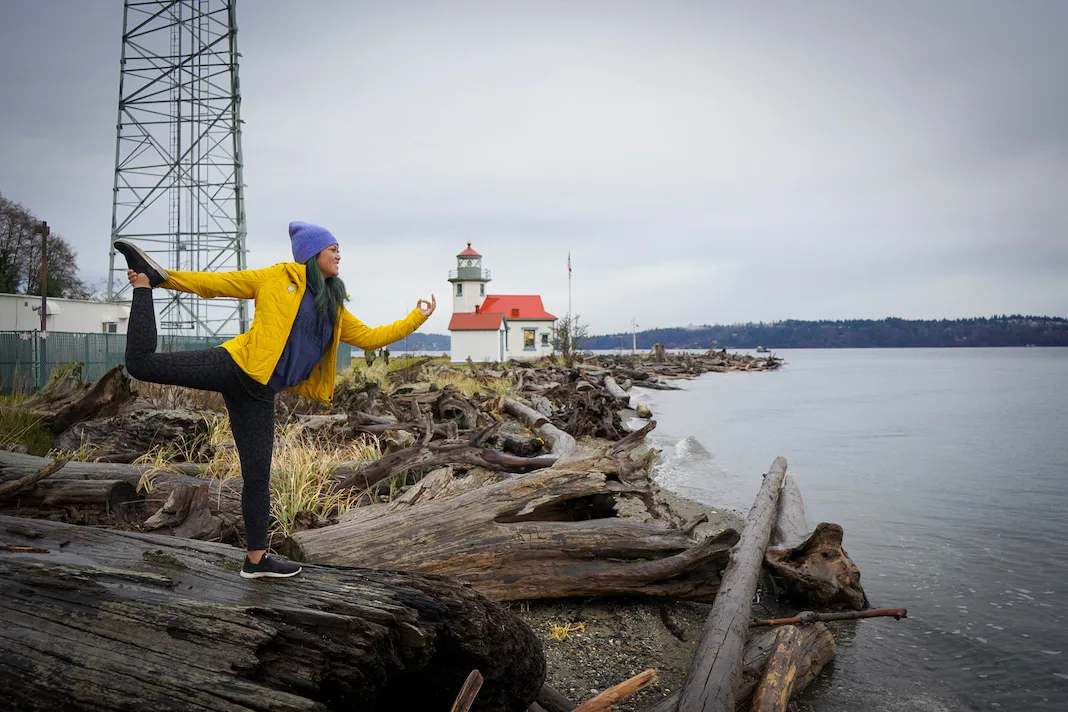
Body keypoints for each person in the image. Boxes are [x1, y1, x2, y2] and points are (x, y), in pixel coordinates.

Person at [113, 222, 435, 579]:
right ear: (313, 253)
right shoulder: (277, 278)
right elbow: (217, 284)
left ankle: (256, 560)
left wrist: (416, 318)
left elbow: (372, 338)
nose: (339, 255)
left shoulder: (332, 306)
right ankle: (144, 285)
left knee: (257, 475)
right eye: (333, 249)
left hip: (260, 393)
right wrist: (162, 279)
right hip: (235, 365)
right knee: (141, 365)